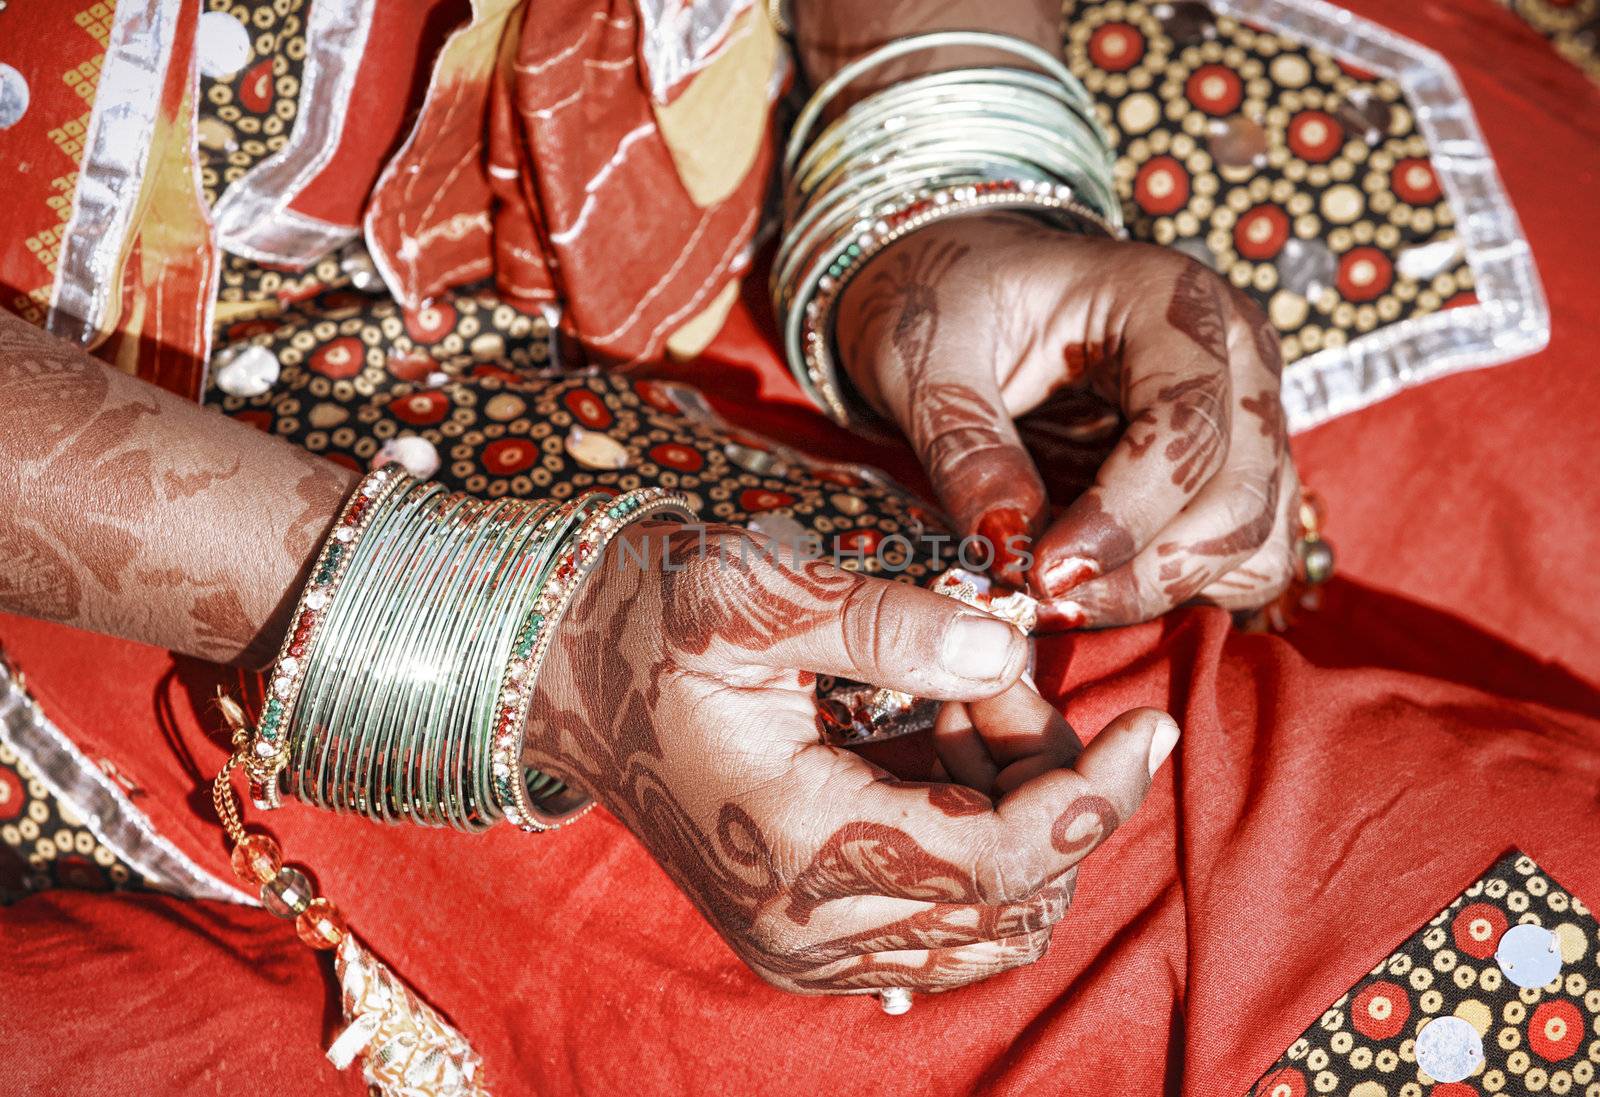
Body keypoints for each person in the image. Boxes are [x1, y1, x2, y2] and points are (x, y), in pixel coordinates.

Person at [2, 0, 1597, 1093]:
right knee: (1264, 920)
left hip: (726, 113)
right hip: (156, 461)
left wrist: (951, 177)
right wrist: (527, 646)